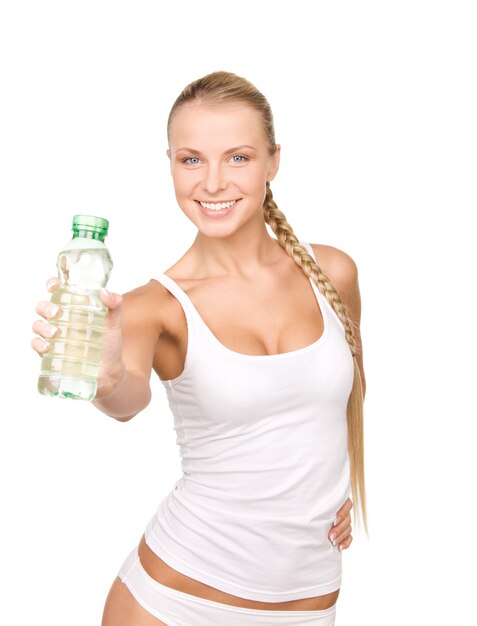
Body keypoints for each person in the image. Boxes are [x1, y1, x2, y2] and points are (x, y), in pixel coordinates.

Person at [32, 70, 367, 626]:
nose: (212, 183)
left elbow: (342, 405)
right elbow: (124, 399)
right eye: (191, 160)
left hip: (308, 607)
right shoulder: (154, 305)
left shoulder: (333, 272)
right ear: (170, 163)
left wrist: (336, 495)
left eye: (237, 157)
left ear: (273, 161)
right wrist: (106, 372)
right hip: (175, 603)